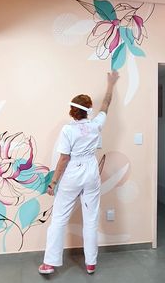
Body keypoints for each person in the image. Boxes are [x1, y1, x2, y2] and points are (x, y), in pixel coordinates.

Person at [39, 71, 119, 275]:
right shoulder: (96, 125)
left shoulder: (68, 130)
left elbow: (64, 158)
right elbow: (106, 104)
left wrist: (53, 183)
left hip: (73, 172)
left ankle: (49, 263)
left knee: (59, 218)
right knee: (91, 219)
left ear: (73, 111)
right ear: (88, 110)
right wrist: (110, 84)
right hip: (91, 172)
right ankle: (91, 264)